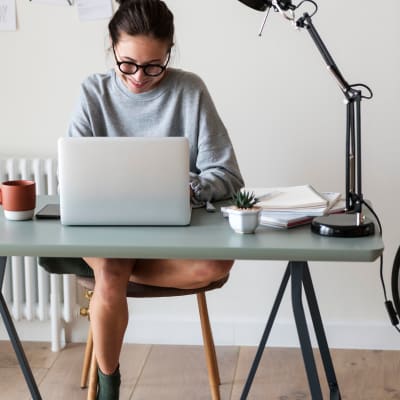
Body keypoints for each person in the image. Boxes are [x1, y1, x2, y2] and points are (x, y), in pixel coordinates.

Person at [69, 0, 244, 398]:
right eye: (127, 64)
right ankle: (110, 384)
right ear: (112, 47)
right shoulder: (92, 92)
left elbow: (228, 176)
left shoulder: (189, 89)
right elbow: (73, 175)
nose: (138, 77)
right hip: (106, 228)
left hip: (171, 233)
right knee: (111, 271)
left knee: (216, 264)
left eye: (153, 66)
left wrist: (190, 187)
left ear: (169, 53)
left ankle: (112, 272)